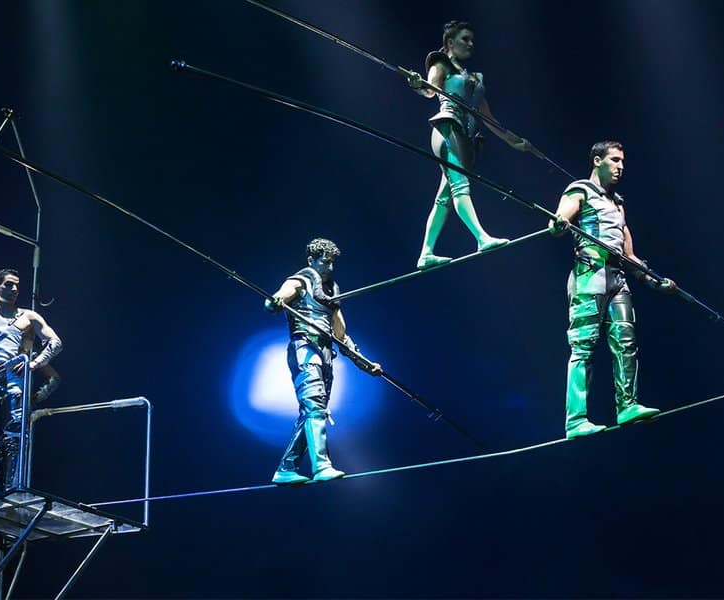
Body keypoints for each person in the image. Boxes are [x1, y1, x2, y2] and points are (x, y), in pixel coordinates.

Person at [549, 141, 676, 439]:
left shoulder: (618, 204)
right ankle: (576, 420)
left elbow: (630, 255)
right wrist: (558, 224)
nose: (621, 167)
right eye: (615, 160)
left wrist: (654, 280)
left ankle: (627, 406)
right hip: (589, 275)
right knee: (583, 346)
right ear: (597, 161)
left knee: (626, 343)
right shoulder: (579, 189)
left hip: (618, 278)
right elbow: (560, 218)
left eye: (623, 162)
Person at [407, 20, 536, 269]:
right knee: (460, 187)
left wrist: (515, 142)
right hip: (447, 129)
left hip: (465, 137)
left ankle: (426, 252)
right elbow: (429, 90)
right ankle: (481, 237)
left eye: (471, 40)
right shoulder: (440, 64)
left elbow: (488, 118)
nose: (470, 44)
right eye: (465, 39)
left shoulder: (474, 79)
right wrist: (417, 85)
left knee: (444, 197)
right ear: (450, 42)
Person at [264, 239, 381, 484]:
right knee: (315, 407)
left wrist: (364, 363)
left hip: (326, 355)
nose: (329, 267)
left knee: (313, 412)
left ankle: (286, 468)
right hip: (304, 347)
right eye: (324, 262)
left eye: (332, 263)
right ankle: (322, 466)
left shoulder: (331, 292)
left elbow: (341, 335)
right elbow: (280, 297)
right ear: (311, 260)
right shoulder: (300, 280)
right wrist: (275, 301)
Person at [0, 268, 63, 496]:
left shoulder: (28, 316)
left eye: (16, 286)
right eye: (8, 285)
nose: (13, 289)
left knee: (15, 439)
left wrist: (34, 363)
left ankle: (12, 495)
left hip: (15, 383)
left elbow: (55, 342)